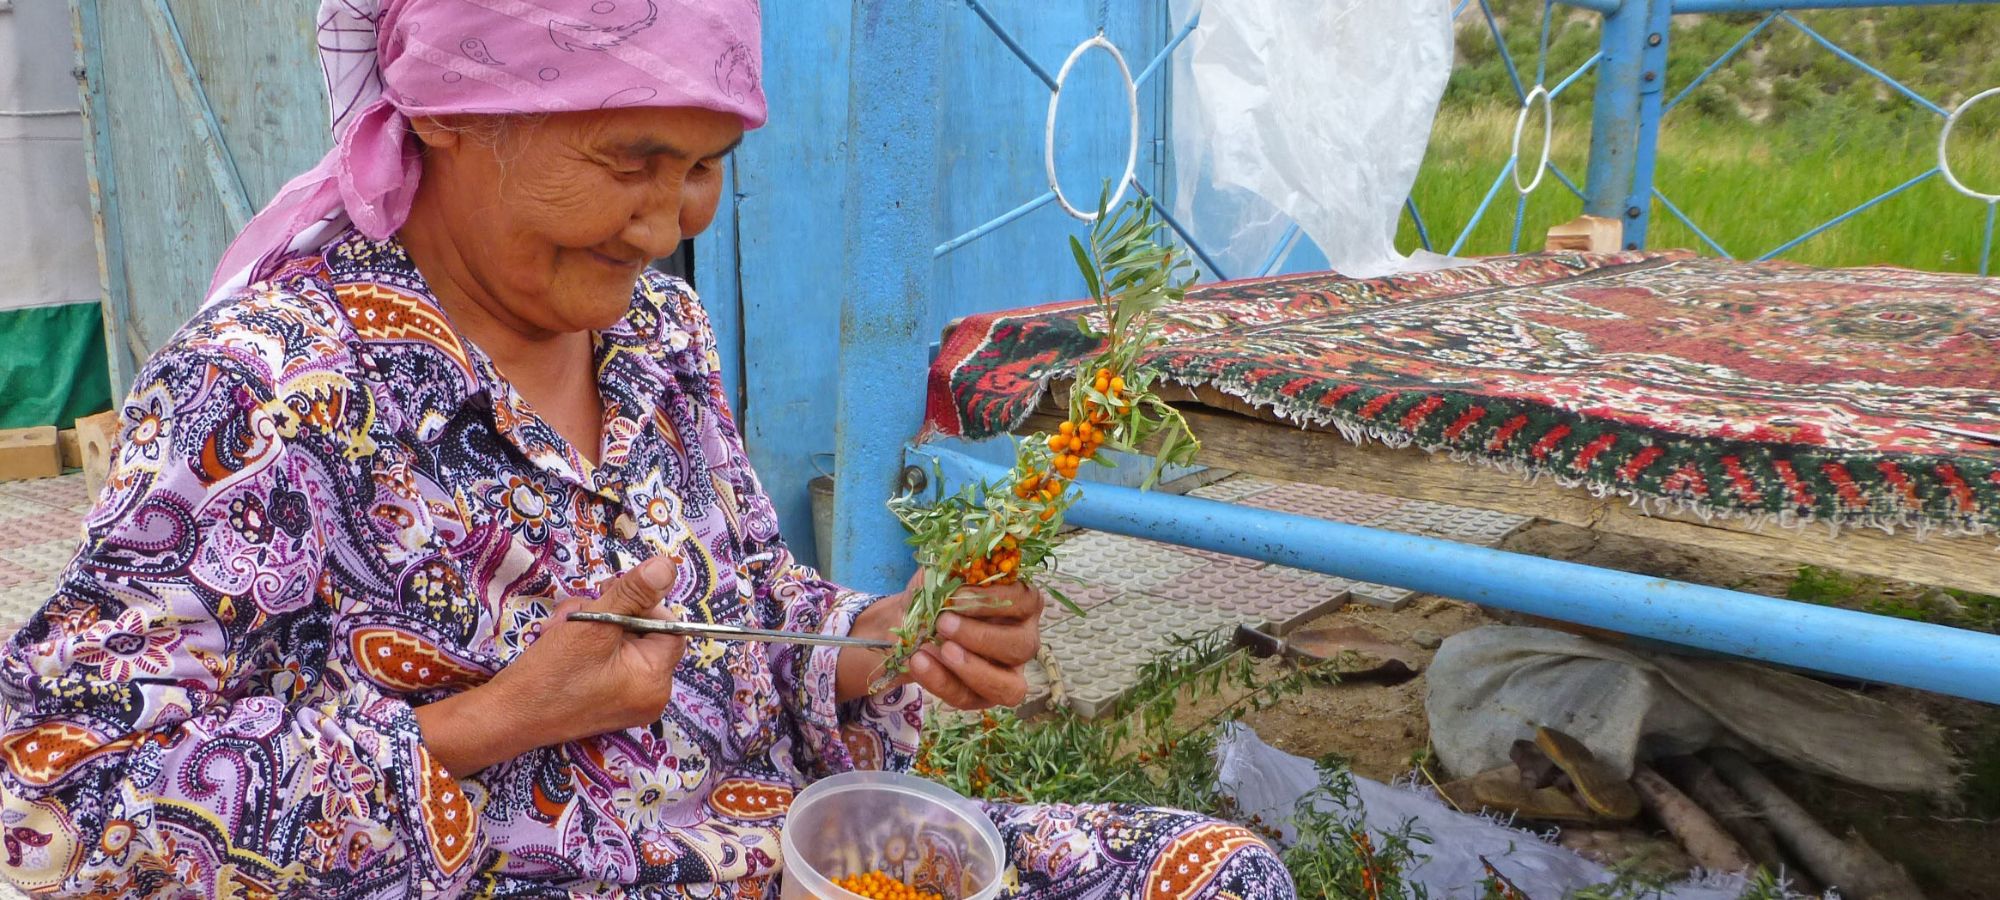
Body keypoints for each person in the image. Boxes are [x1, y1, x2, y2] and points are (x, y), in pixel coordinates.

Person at [0, 2, 1294, 897]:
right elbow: (53, 810)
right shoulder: (269, 390)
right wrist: (490, 724)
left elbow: (751, 614)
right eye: (633, 158)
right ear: (452, 112)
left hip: (766, 860)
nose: (670, 218)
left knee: (1218, 875)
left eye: (709, 164)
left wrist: (877, 645)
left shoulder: (659, 337)